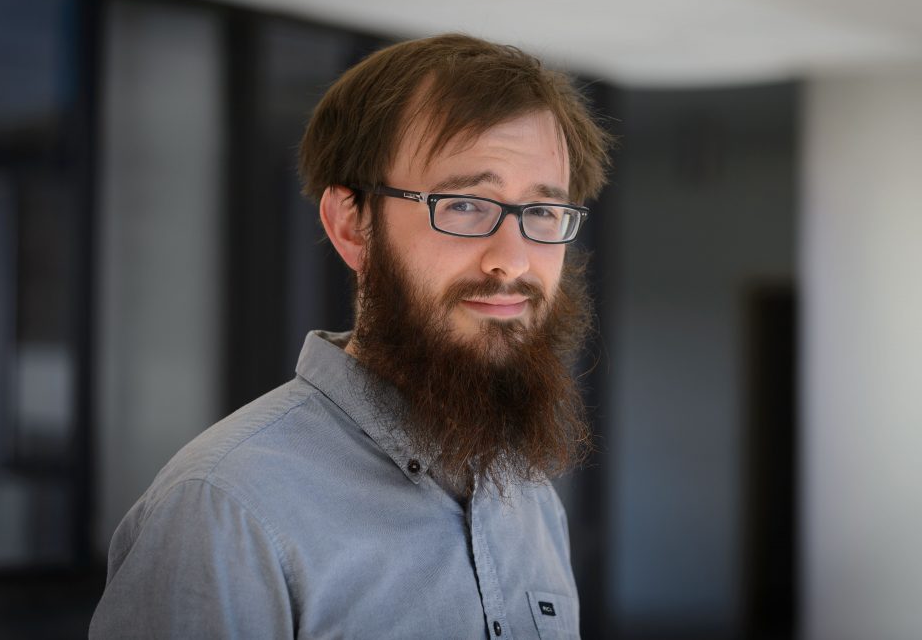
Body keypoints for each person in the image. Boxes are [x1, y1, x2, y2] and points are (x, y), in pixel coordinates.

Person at [90, 33, 611, 639]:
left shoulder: (529, 499)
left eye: (543, 212)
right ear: (352, 224)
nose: (513, 261)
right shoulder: (226, 510)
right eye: (466, 204)